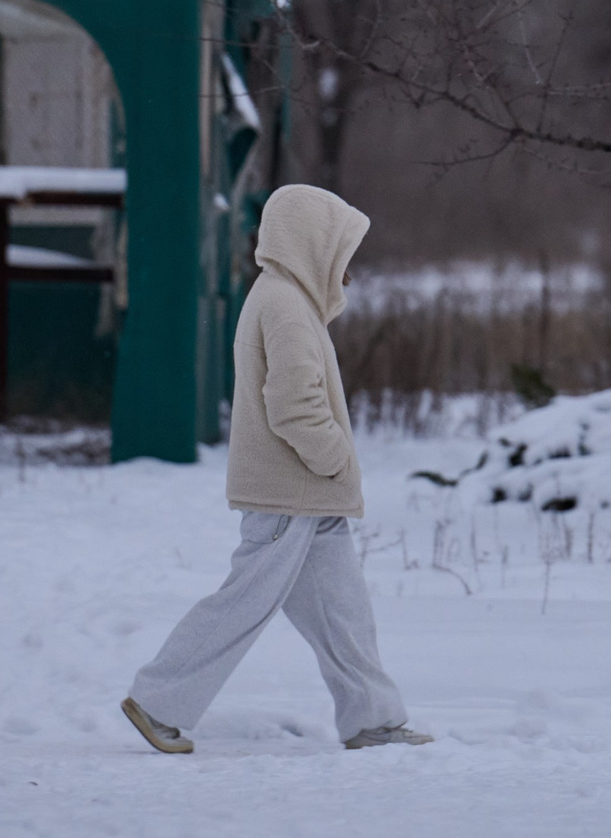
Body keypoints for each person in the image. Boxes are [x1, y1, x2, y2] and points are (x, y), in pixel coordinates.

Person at [121, 183, 431, 755]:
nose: (348, 271)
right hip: (291, 494)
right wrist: (337, 457)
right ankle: (158, 700)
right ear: (313, 245)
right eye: (341, 254)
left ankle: (373, 720)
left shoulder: (285, 299)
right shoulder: (285, 306)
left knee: (344, 613)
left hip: (310, 497)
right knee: (243, 604)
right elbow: (293, 406)